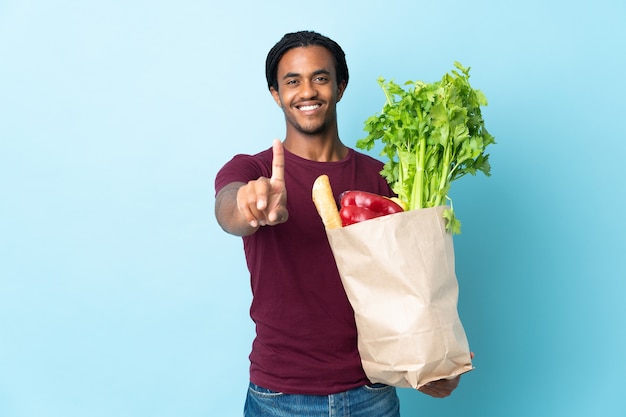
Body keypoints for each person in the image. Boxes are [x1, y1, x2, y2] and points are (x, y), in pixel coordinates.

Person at [214, 30, 463, 417]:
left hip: (371, 392)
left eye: (320, 77)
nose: (307, 91)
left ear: (340, 86)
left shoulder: (388, 178)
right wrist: (249, 207)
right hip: (279, 396)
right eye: (292, 81)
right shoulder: (254, 170)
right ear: (276, 94)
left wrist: (430, 358)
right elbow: (228, 210)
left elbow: (414, 282)